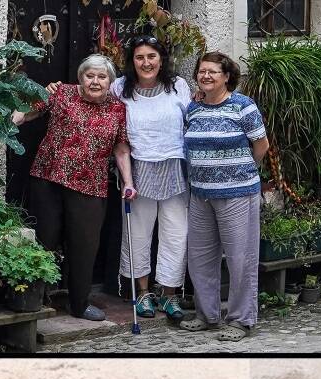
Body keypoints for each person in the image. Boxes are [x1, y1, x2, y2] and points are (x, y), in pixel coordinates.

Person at [13, 55, 134, 321]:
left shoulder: (117, 109)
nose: (95, 81)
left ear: (110, 82)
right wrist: (12, 118)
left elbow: (121, 148)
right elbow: (27, 112)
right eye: (90, 75)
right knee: (44, 238)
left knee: (84, 245)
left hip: (90, 184)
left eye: (102, 77)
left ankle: (79, 303)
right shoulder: (61, 93)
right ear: (80, 78)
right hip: (48, 178)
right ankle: (35, 299)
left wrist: (128, 182)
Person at [181, 51, 269, 341]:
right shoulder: (193, 108)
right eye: (201, 71)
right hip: (200, 194)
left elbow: (261, 146)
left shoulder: (243, 106)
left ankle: (241, 320)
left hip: (238, 194)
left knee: (240, 258)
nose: (205, 76)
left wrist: (240, 173)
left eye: (213, 72)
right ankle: (207, 315)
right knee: (200, 257)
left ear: (227, 76)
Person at [110, 36, 191, 320]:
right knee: (138, 235)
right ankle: (143, 293)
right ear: (132, 61)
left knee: (176, 235)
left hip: (174, 169)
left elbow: (189, 125)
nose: (146, 62)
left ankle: (169, 295)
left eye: (151, 56)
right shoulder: (119, 87)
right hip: (138, 169)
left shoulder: (178, 86)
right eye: (140, 57)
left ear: (161, 59)